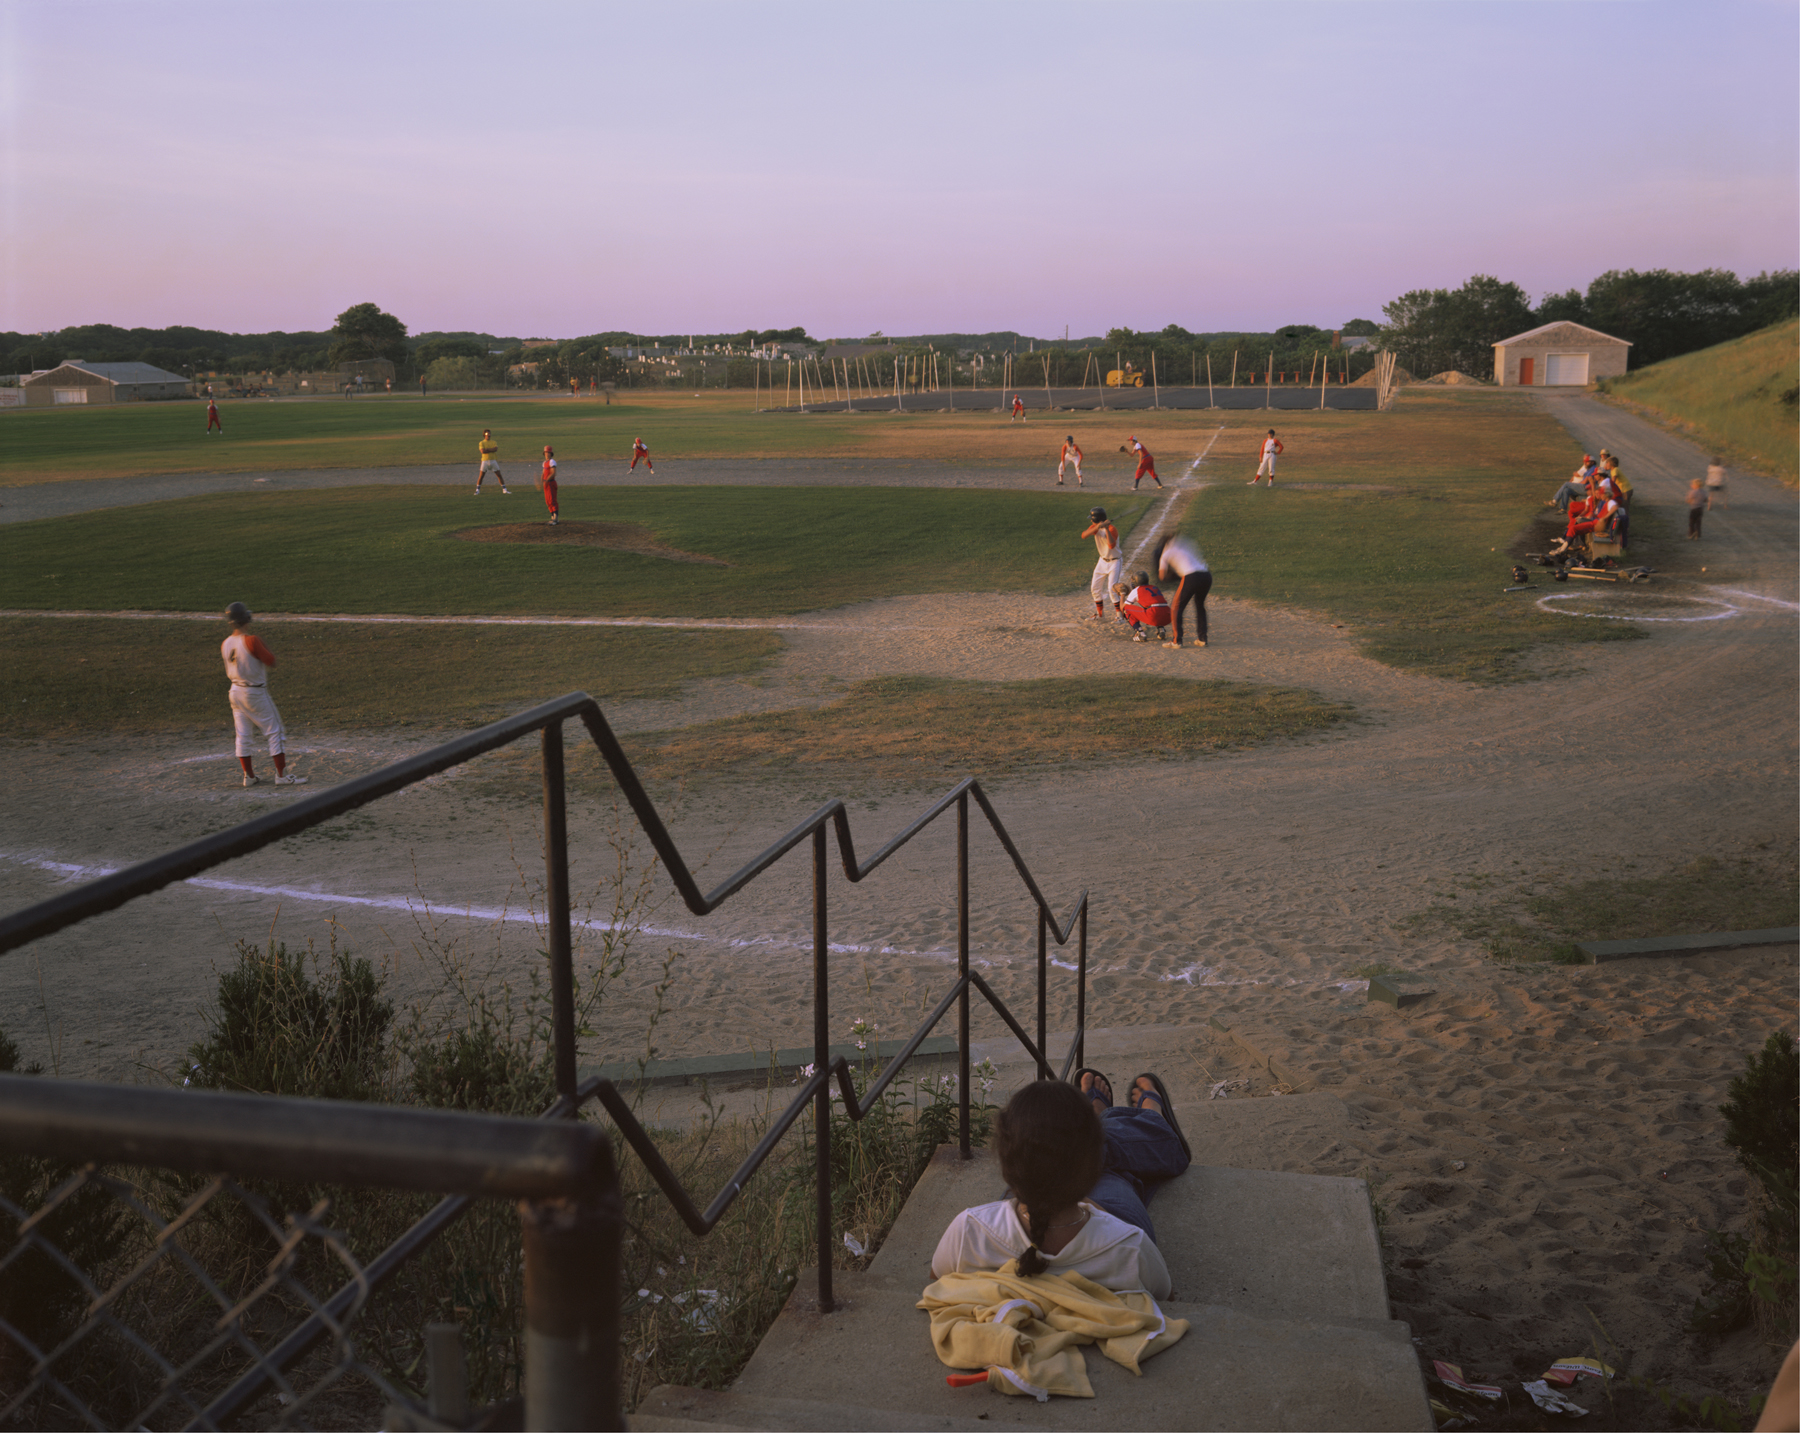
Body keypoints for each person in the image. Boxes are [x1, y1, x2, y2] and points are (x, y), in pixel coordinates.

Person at [930, 1074, 1189, 1299]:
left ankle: (1105, 1122)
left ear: (1006, 1168)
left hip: (1051, 1198)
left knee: (1065, 1151)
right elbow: (1167, 1303)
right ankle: (1147, 1124)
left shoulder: (968, 1231)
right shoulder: (1132, 1247)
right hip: (1113, 1220)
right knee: (1111, 1168)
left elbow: (936, 1288)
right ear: (1091, 1172)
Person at [220, 603, 307, 788]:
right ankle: (282, 776)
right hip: (254, 693)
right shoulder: (252, 640)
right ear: (246, 619)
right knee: (275, 731)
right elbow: (271, 661)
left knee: (243, 735)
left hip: (235, 692)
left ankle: (249, 777)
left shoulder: (226, 643)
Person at [1155, 532, 1212, 649]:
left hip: (1191, 576)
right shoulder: (1183, 547)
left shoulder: (1165, 553)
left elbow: (1162, 576)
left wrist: (1174, 576)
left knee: (1176, 607)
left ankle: (1177, 641)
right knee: (1200, 605)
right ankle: (1202, 638)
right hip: (1206, 575)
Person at [1080, 507, 1123, 620]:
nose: (1090, 521)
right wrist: (1098, 527)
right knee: (1095, 588)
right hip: (1102, 561)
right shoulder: (1095, 527)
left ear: (1096, 518)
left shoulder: (1112, 529)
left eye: (1092, 519)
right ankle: (1100, 615)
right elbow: (1084, 535)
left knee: (1112, 589)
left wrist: (1106, 529)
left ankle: (1119, 616)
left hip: (1115, 562)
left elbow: (1111, 545)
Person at [474, 429, 508, 494]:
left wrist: (487, 450)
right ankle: (477, 490)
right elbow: (482, 451)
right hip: (485, 461)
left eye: (489, 434)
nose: (489, 435)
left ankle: (504, 490)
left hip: (493, 461)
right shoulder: (481, 443)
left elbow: (495, 449)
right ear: (484, 435)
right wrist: (491, 450)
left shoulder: (493, 442)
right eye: (487, 434)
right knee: (481, 476)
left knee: (499, 475)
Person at [540, 444, 560, 525]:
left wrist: (547, 480)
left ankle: (555, 518)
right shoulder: (544, 463)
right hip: (546, 483)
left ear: (551, 453)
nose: (547, 454)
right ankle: (552, 517)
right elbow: (544, 472)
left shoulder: (552, 462)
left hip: (551, 483)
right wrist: (542, 480)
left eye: (548, 452)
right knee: (548, 501)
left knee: (552, 500)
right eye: (545, 452)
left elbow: (553, 473)